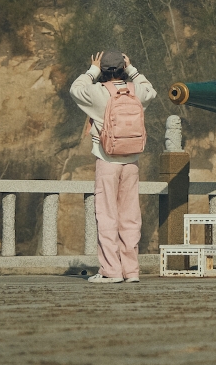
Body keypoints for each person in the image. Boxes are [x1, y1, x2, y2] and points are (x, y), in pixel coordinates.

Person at [69, 49, 155, 284]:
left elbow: (75, 89)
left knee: (107, 216)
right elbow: (151, 90)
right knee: (130, 217)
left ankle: (111, 271)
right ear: (123, 68)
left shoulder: (97, 93)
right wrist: (132, 70)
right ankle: (131, 271)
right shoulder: (136, 91)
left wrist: (92, 69)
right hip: (132, 162)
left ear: (103, 71)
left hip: (107, 160)